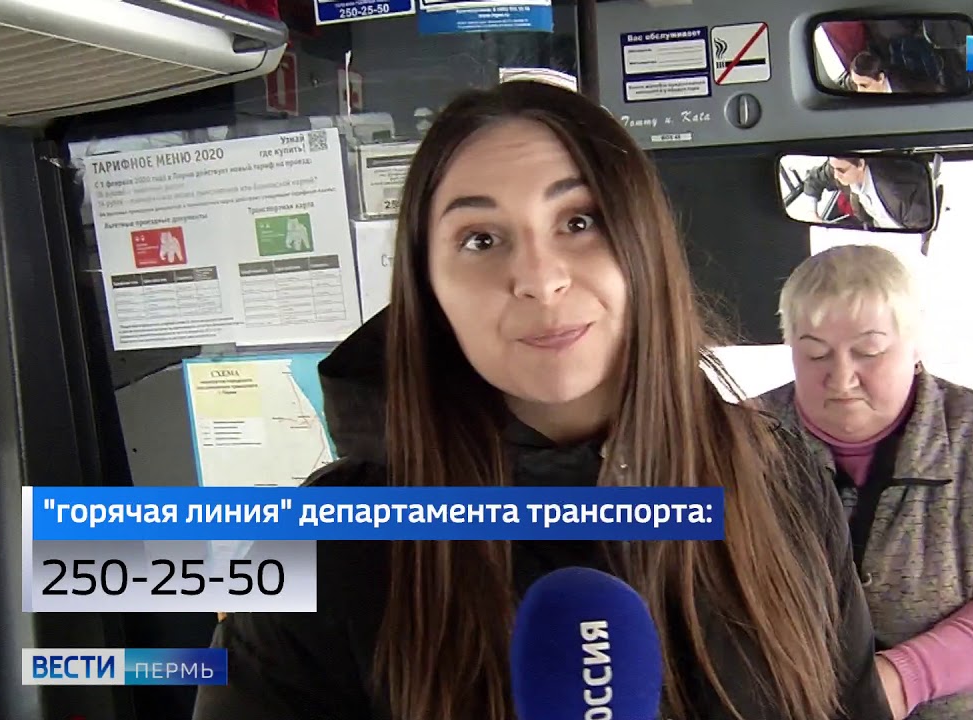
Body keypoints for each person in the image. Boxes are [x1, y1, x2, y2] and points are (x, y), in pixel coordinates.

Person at [192, 81, 893, 720]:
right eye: (481, 239)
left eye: (578, 221)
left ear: (644, 248)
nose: (538, 277)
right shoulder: (322, 545)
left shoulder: (780, 479)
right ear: (429, 290)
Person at [761, 244, 973, 720]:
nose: (841, 378)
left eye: (869, 352)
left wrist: (905, 678)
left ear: (915, 345)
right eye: (815, 353)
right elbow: (665, 537)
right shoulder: (741, 436)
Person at [802, 156, 933, 231]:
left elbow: (920, 230)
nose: (836, 176)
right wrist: (811, 213)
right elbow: (813, 180)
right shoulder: (840, 168)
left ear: (860, 164)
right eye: (833, 169)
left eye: (841, 170)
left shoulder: (899, 193)